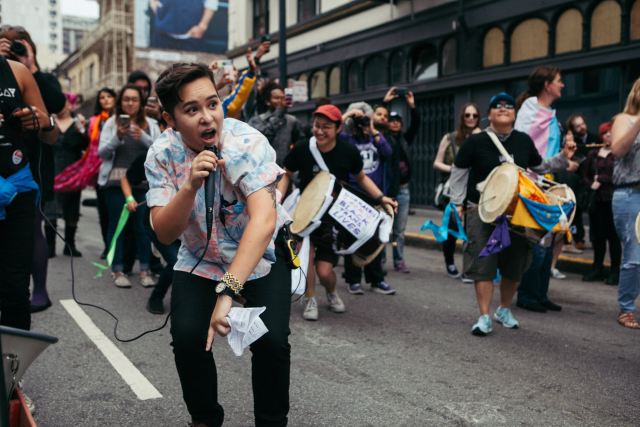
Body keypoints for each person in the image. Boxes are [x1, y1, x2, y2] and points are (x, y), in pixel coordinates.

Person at [147, 62, 291, 426]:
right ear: (170, 118)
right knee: (187, 336)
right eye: (191, 110)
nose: (208, 118)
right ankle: (205, 418)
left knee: (272, 343)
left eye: (213, 104)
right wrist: (189, 186)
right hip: (199, 258)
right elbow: (163, 232)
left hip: (260, 256)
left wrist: (228, 292)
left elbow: (264, 219)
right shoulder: (162, 154)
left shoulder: (247, 143)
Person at [449, 92, 576, 336]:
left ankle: (504, 309)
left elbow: (540, 167)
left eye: (508, 106)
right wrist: (457, 202)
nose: (504, 109)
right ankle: (484, 315)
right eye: (497, 106)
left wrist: (563, 158)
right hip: (482, 209)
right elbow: (459, 170)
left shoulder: (523, 140)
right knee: (483, 263)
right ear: (490, 114)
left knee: (515, 264)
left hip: (517, 212)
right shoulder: (476, 141)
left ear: (515, 114)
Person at [277, 104, 397, 321]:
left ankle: (331, 292)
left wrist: (381, 198)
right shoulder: (304, 148)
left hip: (333, 220)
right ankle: (310, 298)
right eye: (317, 125)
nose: (320, 131)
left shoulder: (348, 152)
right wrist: (276, 199)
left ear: (338, 128)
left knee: (325, 271)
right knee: (306, 257)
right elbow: (287, 173)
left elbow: (361, 178)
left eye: (326, 127)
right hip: (305, 216)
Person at [1, 25, 65, 316]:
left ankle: (14, 358)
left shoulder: (20, 72)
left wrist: (42, 122)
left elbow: (52, 130)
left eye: (16, 44)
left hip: (21, 182)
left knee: (15, 288)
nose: (9, 46)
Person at [514, 66, 578, 314]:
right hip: (532, 183)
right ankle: (527, 295)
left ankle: (540, 294)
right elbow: (524, 148)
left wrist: (565, 158)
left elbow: (548, 151)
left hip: (548, 181)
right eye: (559, 81)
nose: (562, 85)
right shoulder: (531, 109)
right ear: (547, 85)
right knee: (537, 243)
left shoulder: (550, 113)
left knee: (549, 240)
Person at [98, 84, 160, 288]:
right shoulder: (110, 123)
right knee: (118, 225)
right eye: (126, 99)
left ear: (141, 102)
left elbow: (160, 151)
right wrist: (118, 137)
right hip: (115, 181)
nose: (130, 103)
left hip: (142, 182)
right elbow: (102, 153)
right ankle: (117, 269)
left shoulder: (150, 123)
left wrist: (141, 137)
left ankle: (145, 269)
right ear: (120, 102)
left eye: (134, 99)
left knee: (142, 228)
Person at [341, 103, 396, 296]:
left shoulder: (376, 137)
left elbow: (388, 153)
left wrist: (372, 129)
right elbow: (335, 134)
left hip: (375, 195)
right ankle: (353, 279)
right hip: (353, 196)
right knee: (353, 237)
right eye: (360, 120)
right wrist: (348, 115)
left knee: (376, 238)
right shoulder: (347, 138)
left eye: (366, 118)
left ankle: (377, 279)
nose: (362, 122)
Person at [433, 102, 480, 281]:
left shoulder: (482, 137)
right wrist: (453, 168)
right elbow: (436, 162)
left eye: (475, 116)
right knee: (452, 229)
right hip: (453, 190)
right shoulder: (451, 138)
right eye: (467, 115)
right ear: (462, 117)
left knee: (473, 231)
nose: (471, 119)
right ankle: (450, 262)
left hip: (474, 190)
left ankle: (469, 268)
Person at [610, 77, 640, 329]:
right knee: (633, 254)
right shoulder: (624, 119)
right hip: (630, 194)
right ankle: (626, 309)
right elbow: (618, 149)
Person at [382, 87, 419, 274]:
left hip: (403, 190)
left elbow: (416, 124)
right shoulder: (382, 138)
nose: (395, 124)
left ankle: (399, 260)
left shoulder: (405, 139)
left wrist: (411, 106)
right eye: (392, 121)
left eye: (398, 121)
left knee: (399, 230)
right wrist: (386, 102)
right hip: (386, 191)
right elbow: (378, 120)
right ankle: (379, 261)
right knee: (383, 228)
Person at [581, 122, 620, 285]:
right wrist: (591, 184)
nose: (608, 135)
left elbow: (621, 176)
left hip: (613, 199)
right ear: (601, 136)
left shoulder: (619, 154)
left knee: (613, 237)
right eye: (605, 133)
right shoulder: (594, 154)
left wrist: (602, 180)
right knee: (597, 237)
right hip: (596, 200)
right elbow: (585, 175)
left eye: (611, 133)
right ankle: (597, 268)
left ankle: (614, 271)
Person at [51, 97, 89, 257]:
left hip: (73, 174)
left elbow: (86, 145)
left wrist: (82, 129)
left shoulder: (77, 123)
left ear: (69, 104)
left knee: (72, 210)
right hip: (52, 172)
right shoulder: (49, 121)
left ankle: (70, 245)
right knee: (50, 210)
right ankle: (49, 246)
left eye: (64, 102)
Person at [248, 81, 306, 166]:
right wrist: (277, 116)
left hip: (284, 170)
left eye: (283, 98)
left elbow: (301, 143)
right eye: (276, 98)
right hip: (262, 169)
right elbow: (264, 138)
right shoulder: (257, 121)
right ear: (267, 101)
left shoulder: (291, 120)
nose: (280, 101)